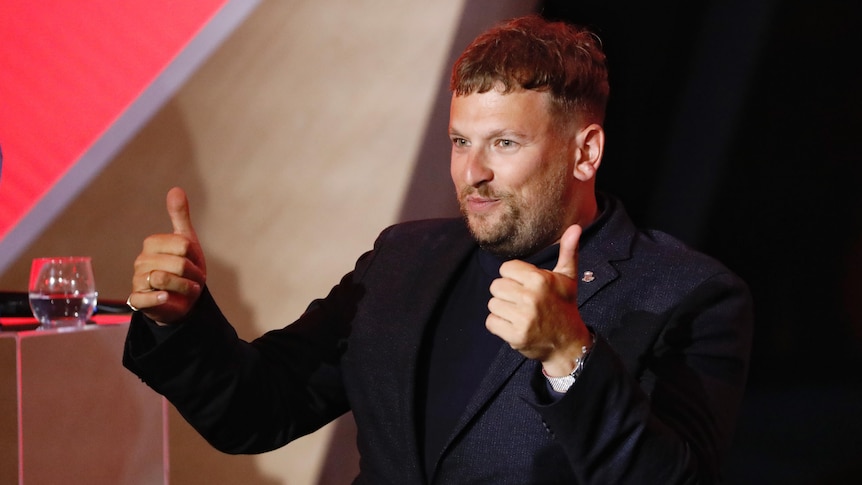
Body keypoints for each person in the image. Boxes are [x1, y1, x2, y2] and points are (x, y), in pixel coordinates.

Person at [123, 15, 752, 484]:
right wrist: (178, 321)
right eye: (459, 141)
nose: (470, 172)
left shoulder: (687, 295)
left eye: (503, 143)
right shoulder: (402, 261)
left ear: (585, 151)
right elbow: (260, 411)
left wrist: (571, 358)